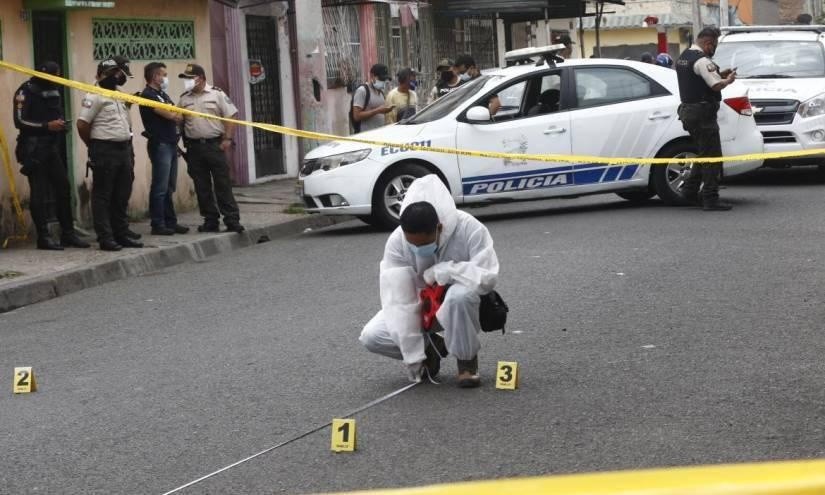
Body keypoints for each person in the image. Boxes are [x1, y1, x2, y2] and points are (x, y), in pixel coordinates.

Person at [359, 175, 500, 388]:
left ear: (440, 228)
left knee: (458, 296)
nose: (417, 249)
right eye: (412, 244)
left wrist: (445, 271)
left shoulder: (469, 228)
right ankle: (430, 350)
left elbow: (487, 277)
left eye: (423, 244)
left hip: (463, 307)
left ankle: (467, 363)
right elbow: (400, 302)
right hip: (421, 307)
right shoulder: (397, 242)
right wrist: (413, 355)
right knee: (372, 336)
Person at [13, 61, 90, 251]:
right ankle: (44, 237)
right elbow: (19, 121)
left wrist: (60, 124)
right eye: (56, 74)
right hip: (33, 149)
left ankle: (68, 233)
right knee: (38, 192)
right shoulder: (25, 91)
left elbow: (55, 114)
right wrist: (47, 126)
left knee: (63, 188)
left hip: (51, 147)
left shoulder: (54, 90)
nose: (58, 78)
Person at [77, 56, 143, 251]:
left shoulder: (118, 93)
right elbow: (82, 124)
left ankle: (121, 234)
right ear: (111, 73)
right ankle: (105, 237)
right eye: (120, 74)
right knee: (103, 195)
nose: (121, 78)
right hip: (104, 150)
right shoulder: (94, 95)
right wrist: (93, 145)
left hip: (123, 149)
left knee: (122, 193)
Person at [178, 63, 244, 233]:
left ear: (201, 78)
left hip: (215, 145)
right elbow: (179, 120)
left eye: (190, 78)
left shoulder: (216, 94)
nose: (187, 81)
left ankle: (231, 219)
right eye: (186, 79)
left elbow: (231, 115)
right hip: (194, 148)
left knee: (222, 184)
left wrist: (228, 139)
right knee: (202, 186)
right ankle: (210, 220)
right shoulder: (184, 98)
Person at [675, 27, 737, 211]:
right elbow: (716, 85)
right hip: (703, 114)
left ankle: (689, 192)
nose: (714, 49)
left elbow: (698, 79)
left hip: (689, 111)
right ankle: (710, 198)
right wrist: (728, 80)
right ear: (708, 43)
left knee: (704, 154)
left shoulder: (684, 57)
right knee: (713, 157)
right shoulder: (702, 60)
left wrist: (720, 74)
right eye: (714, 45)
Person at [139, 62, 189, 236]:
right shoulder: (148, 95)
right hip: (160, 144)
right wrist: (175, 115)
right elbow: (170, 114)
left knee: (169, 187)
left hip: (171, 143)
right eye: (163, 74)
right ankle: (158, 223)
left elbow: (178, 115)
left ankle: (170, 221)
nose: (165, 78)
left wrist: (176, 115)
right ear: (155, 77)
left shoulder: (162, 95)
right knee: (160, 187)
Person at [351, 63, 394, 133]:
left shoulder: (381, 92)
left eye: (384, 79)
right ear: (372, 76)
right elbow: (356, 116)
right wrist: (377, 110)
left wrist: (386, 110)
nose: (383, 82)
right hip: (366, 136)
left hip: (379, 135)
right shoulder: (362, 91)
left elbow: (380, 112)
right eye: (381, 79)